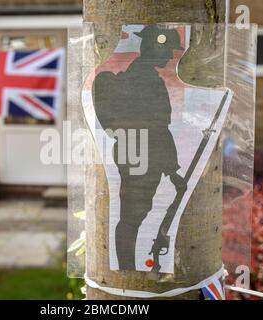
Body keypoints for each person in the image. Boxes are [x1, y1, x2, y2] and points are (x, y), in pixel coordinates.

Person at [93, 26, 187, 270]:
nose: (169, 57)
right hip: (143, 156)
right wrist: (173, 169)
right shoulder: (146, 80)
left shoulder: (140, 76)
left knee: (133, 216)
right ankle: (126, 267)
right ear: (155, 48)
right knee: (133, 217)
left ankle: (126, 265)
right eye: (167, 50)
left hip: (135, 153)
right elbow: (158, 129)